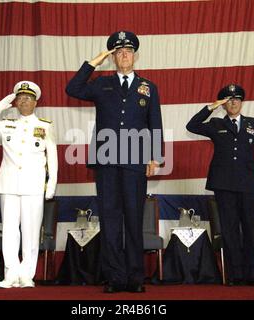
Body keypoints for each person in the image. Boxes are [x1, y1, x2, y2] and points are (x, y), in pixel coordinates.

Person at [66, 31, 163, 293]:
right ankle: (114, 277)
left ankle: (134, 278)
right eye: (118, 52)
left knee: (133, 220)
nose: (123, 55)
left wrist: (155, 156)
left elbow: (155, 123)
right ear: (113, 57)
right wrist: (95, 61)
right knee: (110, 219)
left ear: (135, 55)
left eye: (128, 51)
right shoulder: (101, 84)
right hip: (107, 161)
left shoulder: (148, 87)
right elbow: (72, 88)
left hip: (135, 162)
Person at [0, 81, 58, 288]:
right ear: (15, 102)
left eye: (28, 98)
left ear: (36, 102)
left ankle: (27, 274)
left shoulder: (45, 126)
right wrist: (3, 103)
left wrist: (51, 186)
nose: (24, 101)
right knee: (10, 230)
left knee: (31, 231)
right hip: (9, 184)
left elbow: (52, 158)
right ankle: (10, 274)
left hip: (34, 186)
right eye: (20, 98)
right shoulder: (6, 124)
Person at [186, 84, 254, 286]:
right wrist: (211, 107)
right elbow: (191, 125)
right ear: (224, 104)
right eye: (229, 100)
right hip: (224, 185)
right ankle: (234, 275)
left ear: (242, 102)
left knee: (249, 229)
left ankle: (251, 274)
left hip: (249, 184)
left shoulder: (253, 124)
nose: (233, 102)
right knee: (230, 230)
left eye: (237, 99)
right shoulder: (215, 124)